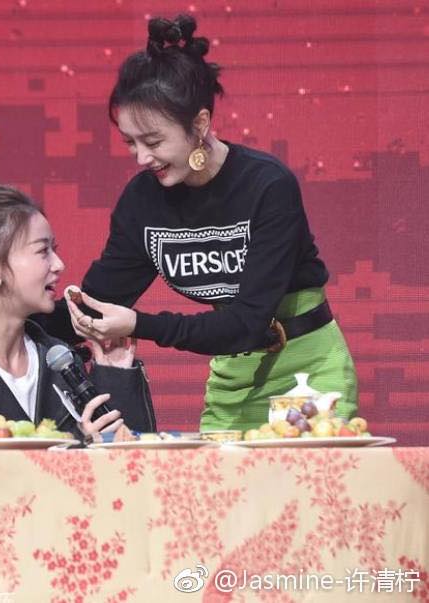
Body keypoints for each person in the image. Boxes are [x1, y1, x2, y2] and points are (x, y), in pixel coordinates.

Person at [59, 14, 357, 431]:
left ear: (199, 124)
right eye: (130, 142)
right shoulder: (142, 200)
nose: (141, 157)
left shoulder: (267, 185)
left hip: (308, 374)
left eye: (153, 141)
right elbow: (96, 302)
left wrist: (140, 324)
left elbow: (247, 322)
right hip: (232, 379)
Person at [0, 186, 156, 441]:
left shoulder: (62, 364)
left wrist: (117, 379)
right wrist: (76, 447)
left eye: (54, 249)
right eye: (43, 251)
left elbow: (138, 459)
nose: (59, 265)